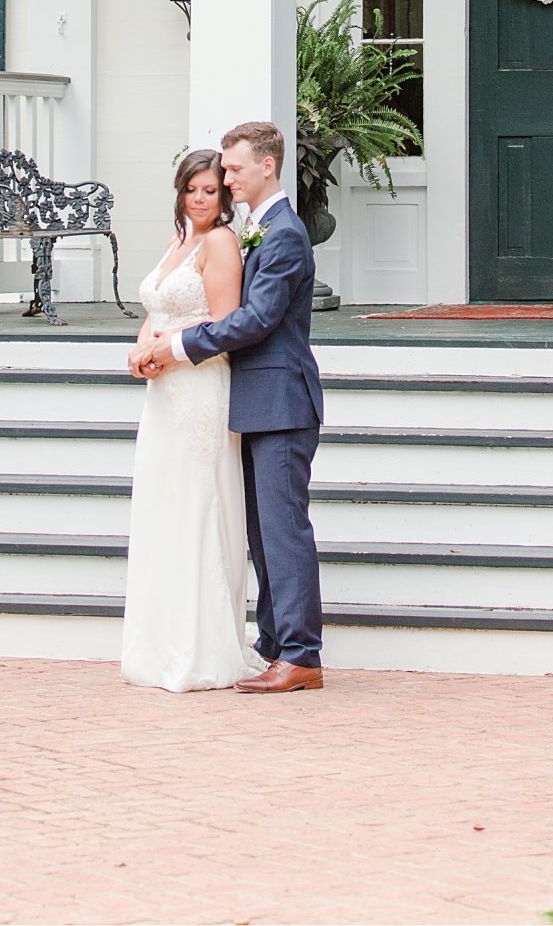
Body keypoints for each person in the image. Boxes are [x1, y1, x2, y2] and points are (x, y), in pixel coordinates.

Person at [140, 120, 325, 695]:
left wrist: (177, 346)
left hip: (281, 400)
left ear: (267, 165)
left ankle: (301, 655)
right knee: (264, 535)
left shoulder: (285, 234)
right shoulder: (254, 229)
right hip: (250, 401)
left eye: (236, 168)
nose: (227, 178)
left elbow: (257, 319)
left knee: (283, 530)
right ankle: (274, 645)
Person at [120, 148, 261, 692]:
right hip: (163, 391)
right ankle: (160, 642)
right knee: (164, 505)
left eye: (210, 190)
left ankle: (202, 646)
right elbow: (159, 310)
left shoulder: (221, 241)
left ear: (224, 195)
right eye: (191, 190)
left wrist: (167, 350)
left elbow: (224, 326)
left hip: (201, 386)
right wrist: (140, 351)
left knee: (198, 504)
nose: (200, 199)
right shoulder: (179, 241)